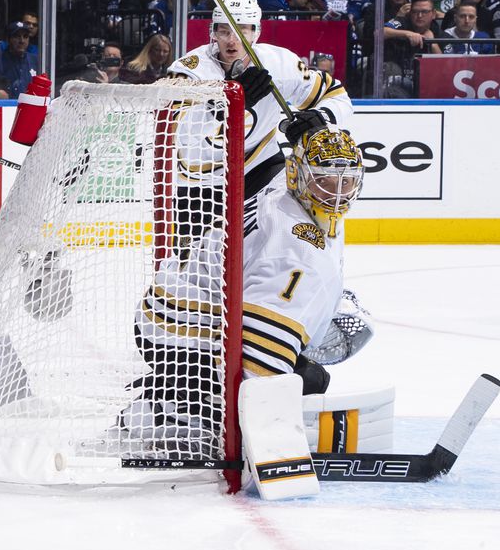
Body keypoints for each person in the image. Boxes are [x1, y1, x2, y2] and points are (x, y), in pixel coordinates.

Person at [124, 125, 367, 454]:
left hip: (177, 305)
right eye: (324, 180)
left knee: (306, 377)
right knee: (305, 383)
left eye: (346, 181)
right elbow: (259, 361)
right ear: (300, 176)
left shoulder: (286, 185)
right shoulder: (294, 251)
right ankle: (170, 412)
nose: (336, 193)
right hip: (178, 330)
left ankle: (179, 388)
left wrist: (311, 132)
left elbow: (277, 162)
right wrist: (265, 432)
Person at [170, 0, 353, 199]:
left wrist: (320, 119)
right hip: (201, 177)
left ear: (256, 32)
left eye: (242, 31)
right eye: (224, 31)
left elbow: (336, 94)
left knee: (290, 222)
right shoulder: (189, 71)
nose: (232, 40)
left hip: (260, 166)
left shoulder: (279, 64)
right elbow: (178, 134)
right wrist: (230, 105)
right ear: (213, 33)